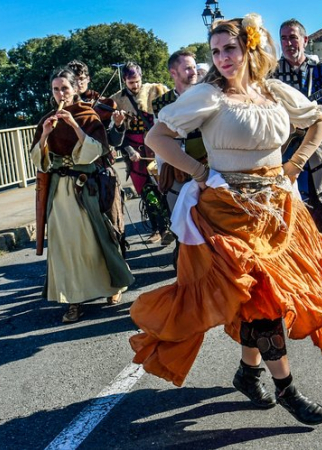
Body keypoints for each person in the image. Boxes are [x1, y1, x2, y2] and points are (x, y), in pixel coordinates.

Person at [130, 14, 322, 426]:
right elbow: (156, 139)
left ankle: (247, 371)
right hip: (227, 212)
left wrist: (293, 166)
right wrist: (201, 174)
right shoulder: (208, 96)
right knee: (264, 299)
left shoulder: (272, 91)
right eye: (215, 51)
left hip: (275, 207)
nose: (222, 58)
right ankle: (287, 388)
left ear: (249, 49)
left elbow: (320, 121)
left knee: (258, 300)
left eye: (229, 49)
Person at [30, 68, 134, 323]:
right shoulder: (47, 118)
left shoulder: (88, 114)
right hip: (58, 191)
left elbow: (98, 150)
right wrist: (44, 133)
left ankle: (113, 286)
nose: (60, 94)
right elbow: (39, 161)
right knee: (63, 247)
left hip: (84, 186)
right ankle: (72, 300)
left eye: (64, 88)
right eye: (55, 89)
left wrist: (74, 125)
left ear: (76, 88)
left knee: (94, 240)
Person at [275, 18, 322, 240]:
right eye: (284, 38)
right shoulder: (271, 74)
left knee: (320, 204)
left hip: (316, 145)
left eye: (293, 37)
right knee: (286, 205)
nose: (288, 43)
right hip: (284, 147)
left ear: (305, 40)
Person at [110, 63, 171, 244]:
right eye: (130, 82)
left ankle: (169, 226)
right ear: (124, 81)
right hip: (135, 151)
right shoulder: (116, 100)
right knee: (146, 191)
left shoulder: (156, 90)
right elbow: (116, 133)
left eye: (137, 81)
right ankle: (157, 228)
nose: (135, 86)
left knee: (165, 188)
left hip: (156, 147)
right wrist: (129, 151)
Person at [151, 50, 205, 213]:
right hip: (177, 172)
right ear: (173, 72)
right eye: (188, 68)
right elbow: (160, 142)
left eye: (194, 67)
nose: (194, 72)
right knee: (181, 223)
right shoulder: (161, 103)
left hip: (209, 168)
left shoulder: (206, 95)